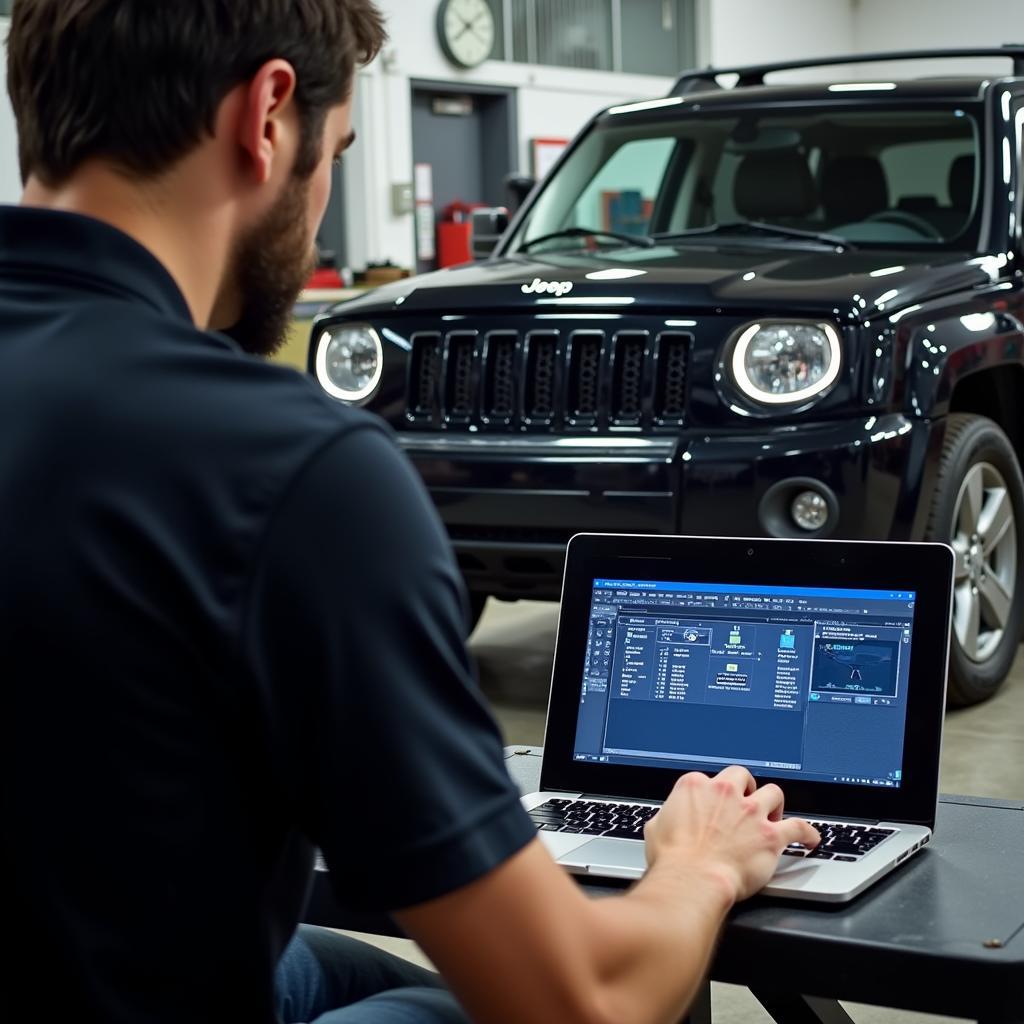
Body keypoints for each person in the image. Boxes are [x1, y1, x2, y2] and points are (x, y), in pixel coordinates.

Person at [0, 2, 820, 1022]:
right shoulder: (283, 462)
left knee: (332, 963)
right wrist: (698, 863)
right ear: (268, 117)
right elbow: (579, 1002)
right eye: (337, 149)